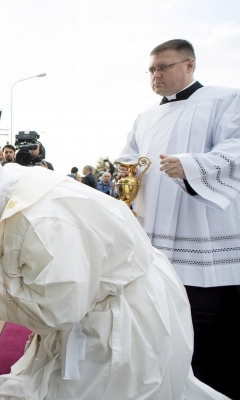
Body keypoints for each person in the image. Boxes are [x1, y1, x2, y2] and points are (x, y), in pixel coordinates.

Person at [0, 166, 228, 400]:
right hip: (112, 286)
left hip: (124, 311)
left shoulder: (41, 222)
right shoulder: (2, 186)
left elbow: (57, 309)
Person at [116, 38, 240, 399]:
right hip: (156, 232)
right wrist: (127, 177)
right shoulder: (145, 117)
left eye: (164, 67)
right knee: (164, 320)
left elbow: (235, 150)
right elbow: (129, 160)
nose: (156, 75)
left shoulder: (226, 99)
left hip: (203, 230)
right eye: (152, 69)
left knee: (208, 328)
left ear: (190, 65)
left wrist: (190, 166)